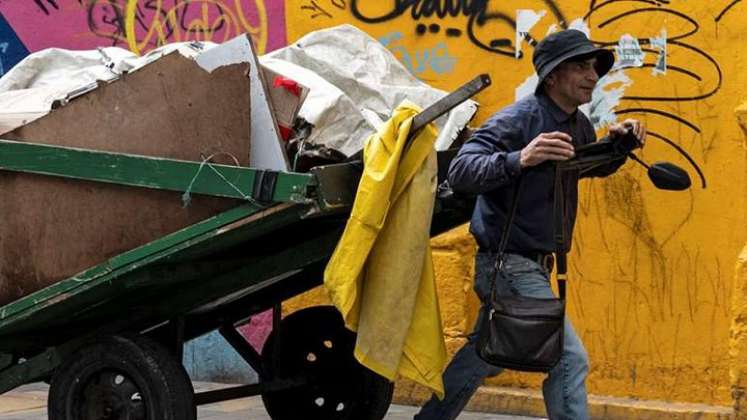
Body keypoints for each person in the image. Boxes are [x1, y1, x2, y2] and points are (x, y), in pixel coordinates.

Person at [414, 29, 646, 420]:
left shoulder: (578, 124)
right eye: (580, 66)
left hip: (533, 264)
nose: (592, 75)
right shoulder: (519, 120)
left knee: (485, 355)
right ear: (552, 76)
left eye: (594, 67)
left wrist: (617, 147)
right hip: (510, 265)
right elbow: (461, 171)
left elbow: (582, 167)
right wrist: (520, 158)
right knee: (567, 359)